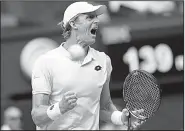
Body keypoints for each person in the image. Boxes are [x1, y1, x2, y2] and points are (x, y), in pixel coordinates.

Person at [31, 1, 145, 130]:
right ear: (73, 24)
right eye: (90, 17)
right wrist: (59, 108)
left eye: (96, 17)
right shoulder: (45, 62)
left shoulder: (103, 60)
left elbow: (104, 107)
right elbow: (37, 116)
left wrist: (121, 118)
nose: (97, 21)